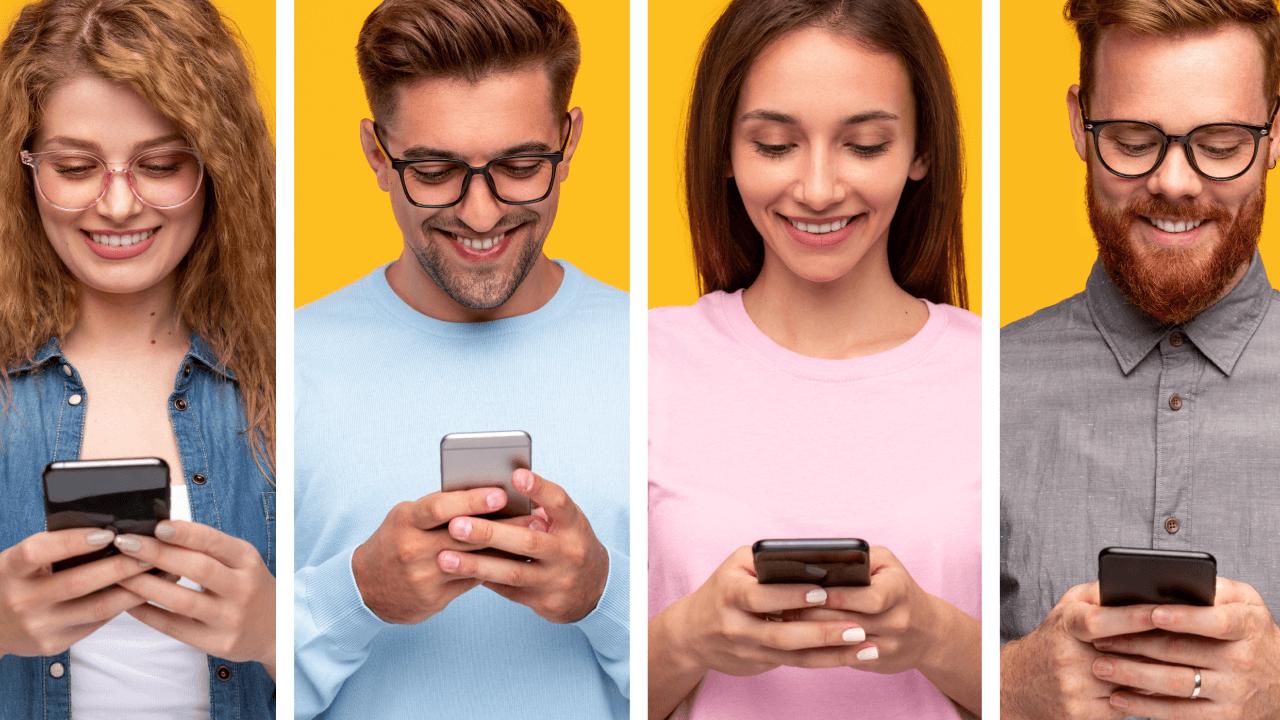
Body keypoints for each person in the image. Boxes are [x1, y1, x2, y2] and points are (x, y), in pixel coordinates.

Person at [292, 0, 628, 717]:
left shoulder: (658, 355)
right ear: (377, 156)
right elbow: (233, 683)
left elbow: (720, 691)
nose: (481, 215)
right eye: (436, 169)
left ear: (568, 144)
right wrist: (355, 597)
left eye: (519, 163)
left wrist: (604, 593)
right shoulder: (284, 365)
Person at [646, 0, 980, 718]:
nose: (820, 189)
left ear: (922, 150)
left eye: (864, 146)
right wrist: (687, 638)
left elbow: (1067, 691)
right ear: (726, 155)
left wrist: (934, 635)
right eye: (774, 145)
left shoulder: (1000, 374)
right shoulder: (642, 365)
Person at [1001, 0, 1280, 718]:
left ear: (1276, 131)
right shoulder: (971, 388)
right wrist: (1006, 687)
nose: (1176, 183)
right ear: (1078, 124)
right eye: (1133, 138)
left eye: (1220, 142)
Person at [0, 0, 277, 718]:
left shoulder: (298, 368)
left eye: (159, 164)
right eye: (74, 165)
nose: (118, 204)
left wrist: (280, 631)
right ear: (22, 167)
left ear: (218, 164)